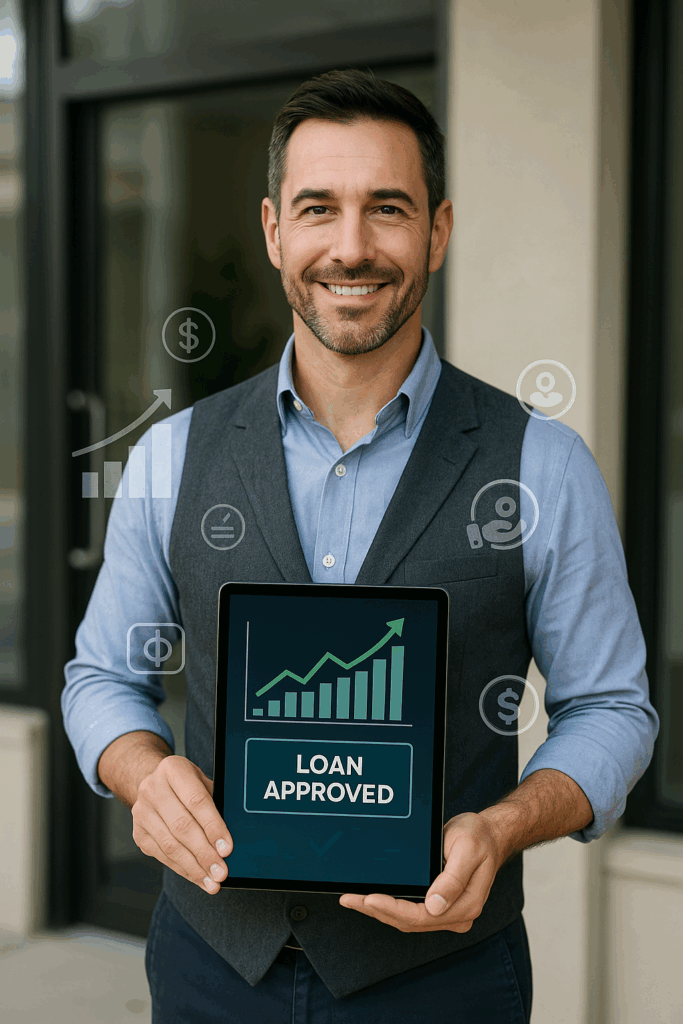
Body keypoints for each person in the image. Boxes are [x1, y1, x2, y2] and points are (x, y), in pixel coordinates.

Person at [62, 68, 658, 1024]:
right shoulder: (172, 454)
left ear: (440, 230)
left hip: (445, 979)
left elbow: (613, 710)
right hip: (211, 966)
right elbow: (100, 677)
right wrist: (143, 771)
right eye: (316, 208)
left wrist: (500, 830)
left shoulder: (540, 464)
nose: (350, 246)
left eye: (387, 208)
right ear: (272, 231)